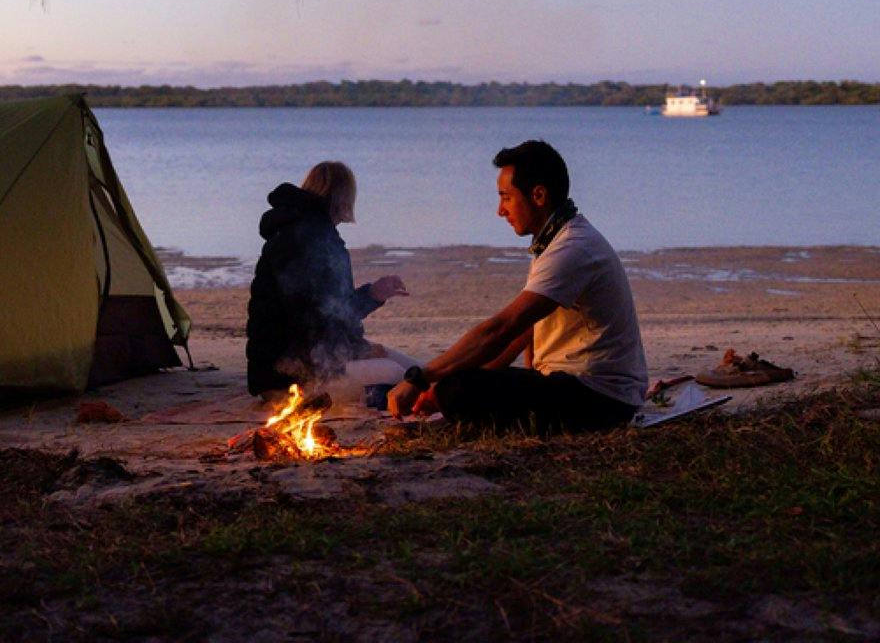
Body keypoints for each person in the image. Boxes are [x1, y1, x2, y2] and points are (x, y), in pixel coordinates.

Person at [386, 140, 646, 432]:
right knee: (459, 384)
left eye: (506, 198)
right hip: (581, 388)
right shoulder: (553, 240)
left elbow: (501, 328)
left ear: (538, 195)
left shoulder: (572, 247)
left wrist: (420, 377)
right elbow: (522, 333)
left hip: (600, 397)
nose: (500, 210)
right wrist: (445, 386)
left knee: (458, 388)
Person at [245, 161, 414, 398]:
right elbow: (308, 320)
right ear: (343, 197)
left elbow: (333, 308)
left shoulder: (311, 230)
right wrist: (356, 350)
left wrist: (373, 294)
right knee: (401, 376)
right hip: (290, 377)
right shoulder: (306, 237)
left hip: (315, 357)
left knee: (419, 371)